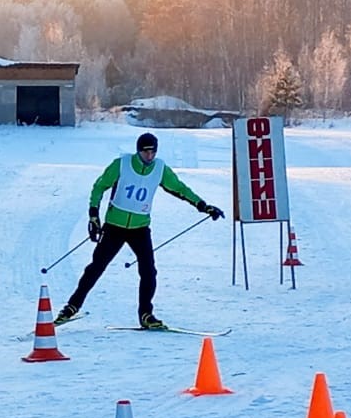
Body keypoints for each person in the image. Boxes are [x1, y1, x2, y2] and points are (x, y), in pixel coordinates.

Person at [54, 132, 224, 329]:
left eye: (153, 152)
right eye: (146, 152)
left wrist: (203, 206)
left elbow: (180, 189)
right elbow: (99, 187)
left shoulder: (160, 169)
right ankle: (71, 307)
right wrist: (93, 216)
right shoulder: (122, 164)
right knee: (96, 268)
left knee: (149, 271)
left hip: (140, 228)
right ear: (138, 151)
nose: (149, 156)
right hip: (115, 226)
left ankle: (146, 314)